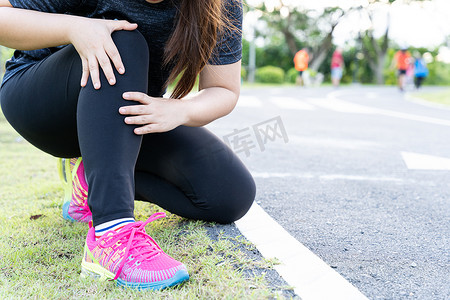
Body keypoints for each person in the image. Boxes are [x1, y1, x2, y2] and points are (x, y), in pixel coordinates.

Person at [0, 0, 255, 291]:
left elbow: (223, 90)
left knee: (229, 193)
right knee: (121, 39)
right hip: (43, 106)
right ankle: (111, 233)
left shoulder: (221, 5)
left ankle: (89, 178)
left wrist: (179, 110)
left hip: (121, 116)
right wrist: (74, 28)